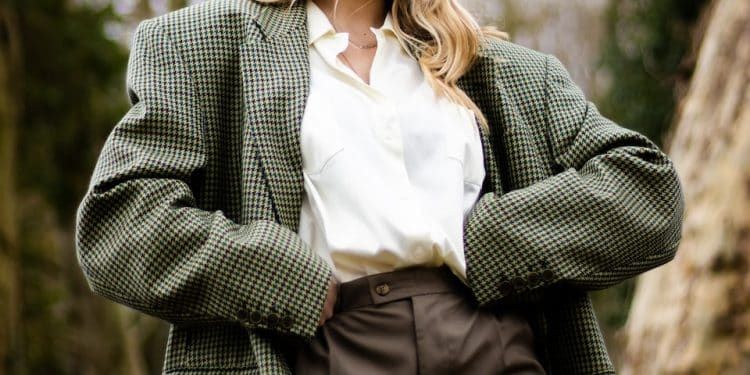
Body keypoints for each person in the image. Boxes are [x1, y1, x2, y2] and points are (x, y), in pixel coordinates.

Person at [74, 0, 685, 374]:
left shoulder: (500, 69)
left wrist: (489, 242)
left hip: (492, 339)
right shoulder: (203, 46)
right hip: (323, 348)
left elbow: (646, 196)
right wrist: (284, 276)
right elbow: (122, 225)